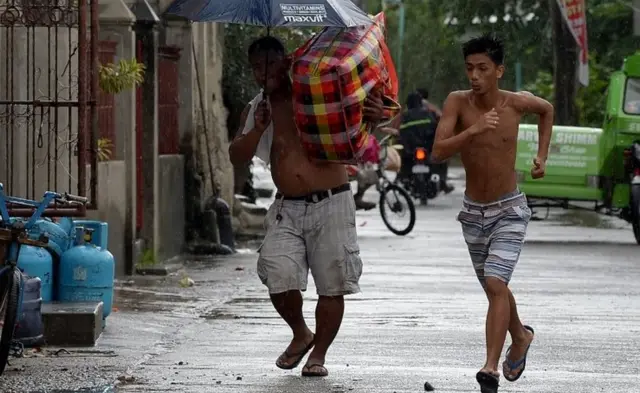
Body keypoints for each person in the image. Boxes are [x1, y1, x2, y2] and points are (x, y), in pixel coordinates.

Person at [228, 36, 385, 378]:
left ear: (285, 61)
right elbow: (236, 155)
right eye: (256, 66)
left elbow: (369, 119)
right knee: (276, 273)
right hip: (287, 207)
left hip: (332, 201)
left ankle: (320, 355)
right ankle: (301, 334)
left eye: (269, 63)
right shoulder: (259, 107)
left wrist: (377, 113)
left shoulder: (320, 93)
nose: (262, 72)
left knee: (332, 284)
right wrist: (258, 128)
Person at [431, 34, 554, 393]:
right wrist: (474, 130)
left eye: (483, 69)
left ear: (498, 71)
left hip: (509, 209)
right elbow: (438, 150)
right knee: (493, 286)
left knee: (496, 283)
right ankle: (520, 336)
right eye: (469, 68)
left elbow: (546, 110)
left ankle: (489, 368)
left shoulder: (516, 104)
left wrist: (541, 157)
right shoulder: (457, 102)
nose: (474, 76)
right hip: (473, 213)